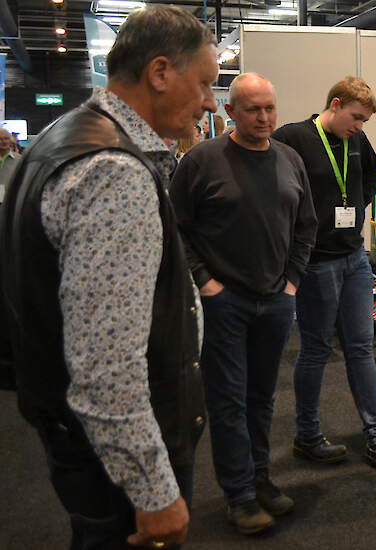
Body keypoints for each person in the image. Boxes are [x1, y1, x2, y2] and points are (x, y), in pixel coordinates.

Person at [0, 5, 217, 549]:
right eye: (207, 84)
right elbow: (105, 368)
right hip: (110, 459)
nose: (212, 102)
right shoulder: (113, 171)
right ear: (160, 72)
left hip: (73, 433)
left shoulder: (62, 137)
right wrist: (153, 492)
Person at [169, 72, 317, 535]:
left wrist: (292, 282)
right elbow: (177, 229)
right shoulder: (201, 161)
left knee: (261, 398)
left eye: (270, 108)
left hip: (276, 301)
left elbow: (306, 226)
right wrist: (205, 283)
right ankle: (238, 495)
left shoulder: (289, 159)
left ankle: (259, 478)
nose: (264, 117)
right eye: (253, 109)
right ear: (230, 111)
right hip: (224, 304)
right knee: (228, 400)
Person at [272, 76, 376, 477]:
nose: (360, 127)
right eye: (356, 117)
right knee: (315, 350)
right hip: (315, 264)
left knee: (361, 348)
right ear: (335, 104)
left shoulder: (357, 142)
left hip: (354, 260)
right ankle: (307, 436)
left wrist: (359, 203)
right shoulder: (293, 138)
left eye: (365, 121)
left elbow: (373, 172)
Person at [0, 127, 21, 202]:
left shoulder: (19, 159)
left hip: (10, 202)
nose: (4, 141)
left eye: (6, 138)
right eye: (0, 139)